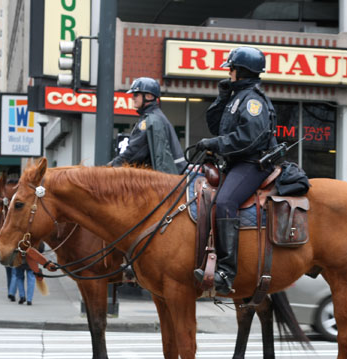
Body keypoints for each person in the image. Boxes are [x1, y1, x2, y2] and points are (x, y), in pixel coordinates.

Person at [192, 46, 278, 295]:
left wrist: (215, 144)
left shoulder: (252, 101)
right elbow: (215, 126)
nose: (228, 72)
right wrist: (221, 97)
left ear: (240, 71)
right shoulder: (237, 97)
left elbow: (247, 139)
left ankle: (227, 272)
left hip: (252, 164)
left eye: (230, 68)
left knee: (226, 201)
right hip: (236, 162)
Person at [109, 77, 186, 174]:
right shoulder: (155, 116)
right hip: (171, 177)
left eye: (136, 94)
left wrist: (111, 166)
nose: (133, 97)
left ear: (149, 96)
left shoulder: (151, 120)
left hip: (166, 180)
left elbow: (134, 151)